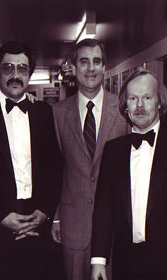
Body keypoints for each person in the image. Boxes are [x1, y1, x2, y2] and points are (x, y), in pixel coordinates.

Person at [0, 41, 62, 280]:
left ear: (29, 73)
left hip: (36, 226)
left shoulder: (44, 113)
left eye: (22, 68)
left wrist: (44, 213)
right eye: (9, 68)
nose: (16, 75)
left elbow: (55, 167)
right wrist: (1, 216)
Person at [91, 69, 167, 280]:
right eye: (133, 98)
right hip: (128, 265)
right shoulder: (113, 150)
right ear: (125, 104)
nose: (140, 106)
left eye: (147, 98)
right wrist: (98, 260)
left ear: (159, 102)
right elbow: (104, 207)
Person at [51, 39, 129, 280]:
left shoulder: (123, 108)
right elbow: (55, 167)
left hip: (116, 225)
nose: (91, 68)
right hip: (73, 224)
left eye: (97, 61)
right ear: (74, 67)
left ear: (105, 67)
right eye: (84, 62)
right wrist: (55, 216)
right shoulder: (58, 112)